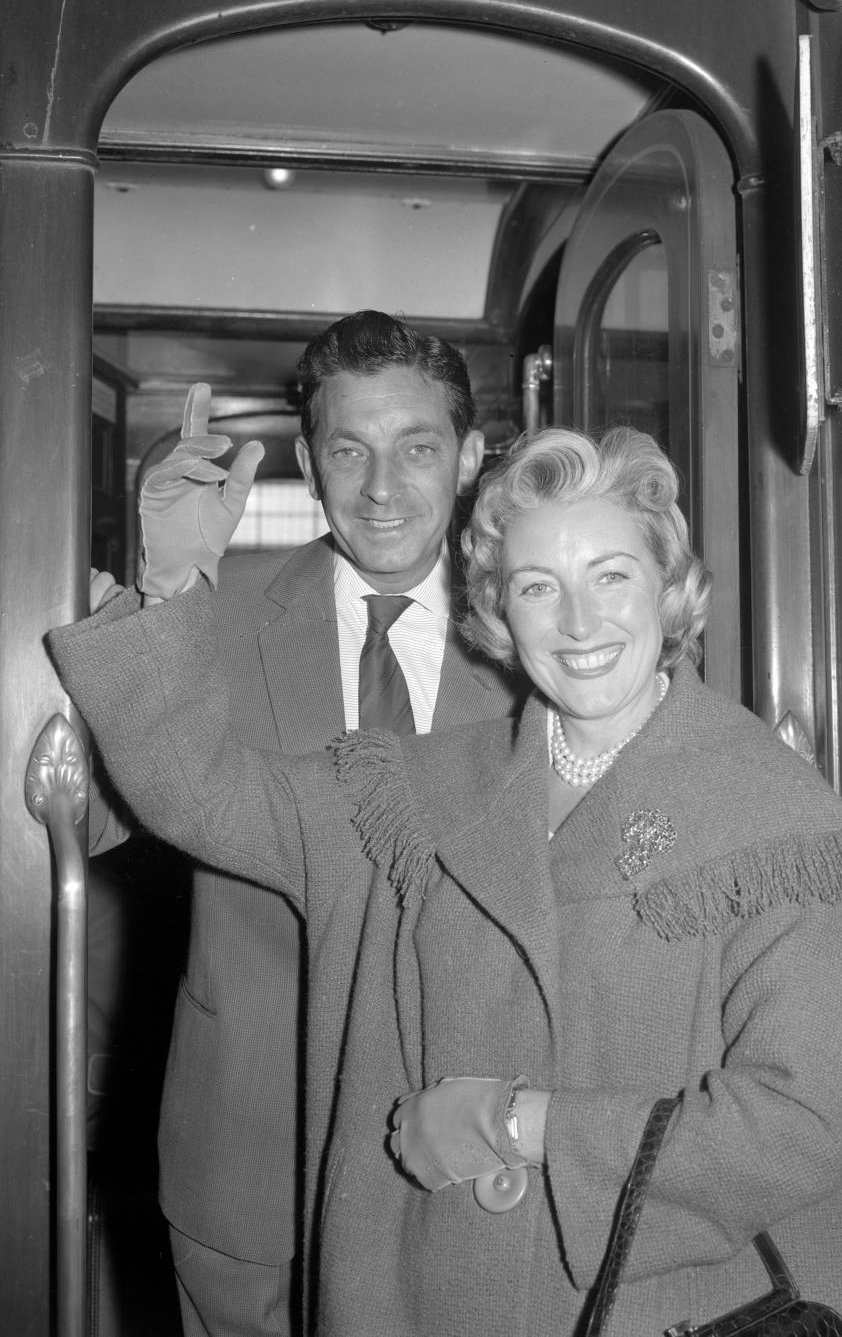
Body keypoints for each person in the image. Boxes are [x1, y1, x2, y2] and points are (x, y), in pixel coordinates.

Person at [50, 426, 842, 1337]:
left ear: (670, 591)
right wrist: (175, 580)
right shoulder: (407, 793)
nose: (580, 623)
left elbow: (798, 1129)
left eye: (612, 576)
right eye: (538, 587)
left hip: (655, 1311)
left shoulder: (778, 826)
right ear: (498, 612)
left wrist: (521, 1124)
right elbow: (200, 792)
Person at [87, 310, 523, 1337]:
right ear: (309, 461)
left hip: (466, 1162)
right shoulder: (213, 612)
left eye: (417, 447)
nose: (381, 487)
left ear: (468, 457)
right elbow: (93, 825)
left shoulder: (539, 636)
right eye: (348, 449)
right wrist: (166, 590)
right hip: (250, 1157)